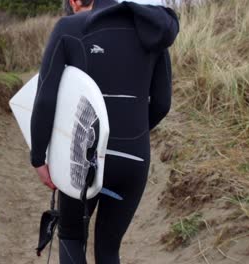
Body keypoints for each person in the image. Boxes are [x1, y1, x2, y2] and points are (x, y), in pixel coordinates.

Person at [30, 0, 179, 263]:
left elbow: (45, 100)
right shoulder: (151, 29)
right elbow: (162, 103)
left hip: (82, 158)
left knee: (72, 237)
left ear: (76, 1)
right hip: (133, 159)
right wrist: (131, 136)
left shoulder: (68, 28)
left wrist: (39, 158)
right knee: (109, 248)